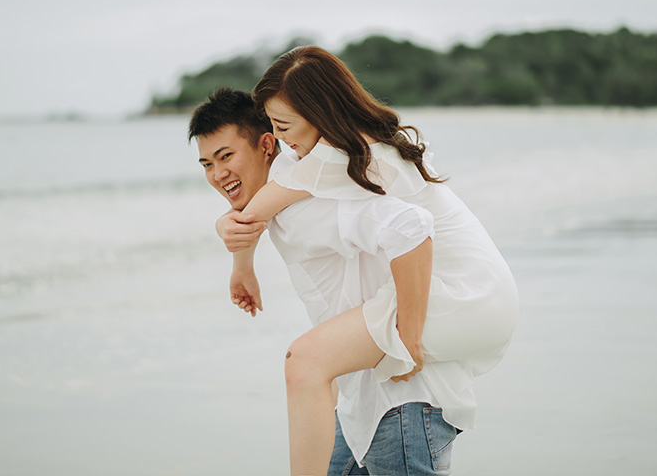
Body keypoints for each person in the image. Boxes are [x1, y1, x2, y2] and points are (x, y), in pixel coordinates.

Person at [220, 46, 519, 476]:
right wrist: (239, 258)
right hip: (478, 288)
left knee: (306, 361)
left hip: (464, 293)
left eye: (282, 125)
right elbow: (258, 207)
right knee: (311, 363)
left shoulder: (339, 154)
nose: (279, 138)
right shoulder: (350, 143)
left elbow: (257, 208)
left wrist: (410, 337)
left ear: (319, 113)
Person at [189, 89, 458, 475]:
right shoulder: (288, 192)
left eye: (226, 157)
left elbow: (411, 226)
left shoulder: (306, 206)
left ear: (267, 144)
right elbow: (248, 219)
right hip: (360, 405)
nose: (217, 175)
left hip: (401, 400)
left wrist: (409, 339)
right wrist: (242, 267)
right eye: (206, 164)